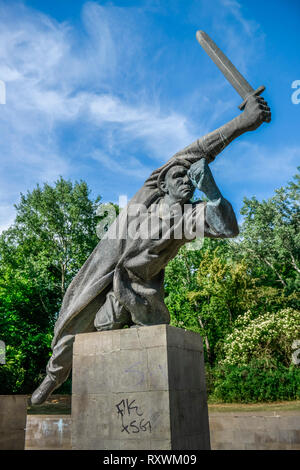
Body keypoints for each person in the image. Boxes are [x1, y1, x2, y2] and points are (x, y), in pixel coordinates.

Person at [31, 94, 271, 405]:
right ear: (164, 185)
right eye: (177, 176)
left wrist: (211, 189)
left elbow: (227, 227)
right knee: (69, 329)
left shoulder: (188, 218)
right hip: (101, 273)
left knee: (111, 325)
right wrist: (242, 123)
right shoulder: (143, 200)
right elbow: (195, 151)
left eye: (189, 178)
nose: (185, 180)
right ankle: (53, 378)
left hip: (139, 290)